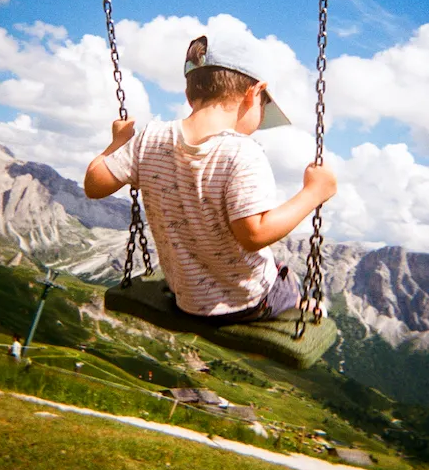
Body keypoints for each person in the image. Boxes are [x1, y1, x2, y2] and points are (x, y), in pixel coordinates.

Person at [84, 31, 337, 324]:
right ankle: (300, 303)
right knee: (285, 277)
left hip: (187, 299)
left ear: (189, 93)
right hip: (246, 302)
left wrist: (118, 143)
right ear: (254, 93)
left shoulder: (148, 139)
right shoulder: (243, 152)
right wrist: (313, 194)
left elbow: (94, 185)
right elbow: (255, 234)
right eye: (264, 108)